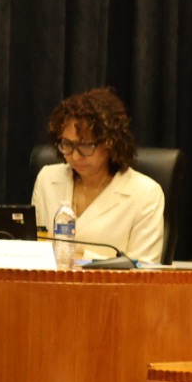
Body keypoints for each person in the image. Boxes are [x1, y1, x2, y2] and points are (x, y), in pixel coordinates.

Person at [31, 87, 166, 263]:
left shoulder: (146, 193)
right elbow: (34, 252)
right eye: (67, 144)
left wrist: (76, 258)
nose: (75, 156)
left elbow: (144, 270)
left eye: (86, 146)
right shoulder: (47, 179)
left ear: (111, 143)